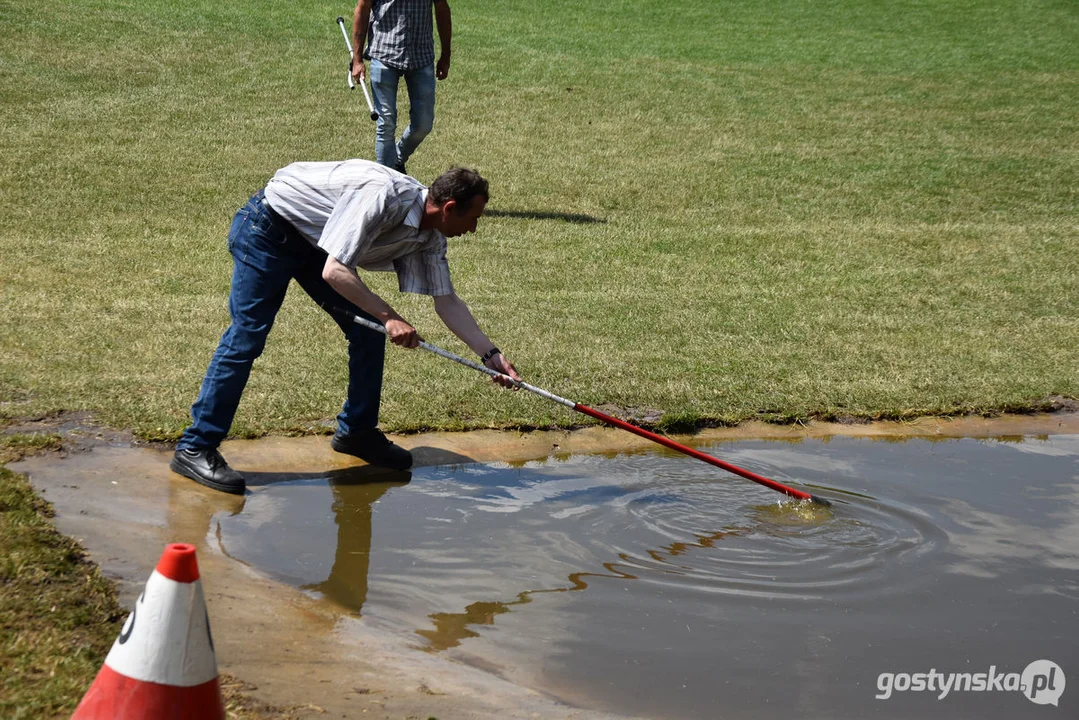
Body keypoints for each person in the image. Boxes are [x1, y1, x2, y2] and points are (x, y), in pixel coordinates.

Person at [171, 161, 520, 495]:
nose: (473, 228)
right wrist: (390, 316)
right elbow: (335, 271)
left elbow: (447, 302)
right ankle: (195, 447)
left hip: (316, 243)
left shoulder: (431, 237)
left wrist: (491, 355)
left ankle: (357, 433)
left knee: (367, 332)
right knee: (248, 336)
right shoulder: (383, 195)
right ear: (449, 208)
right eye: (473, 218)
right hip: (268, 228)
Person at [351, 0, 452, 174]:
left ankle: (397, 159)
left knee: (423, 124)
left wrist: (446, 54)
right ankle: (386, 184)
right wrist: (357, 59)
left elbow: (442, 9)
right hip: (384, 54)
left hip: (422, 56)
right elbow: (362, 8)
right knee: (386, 125)